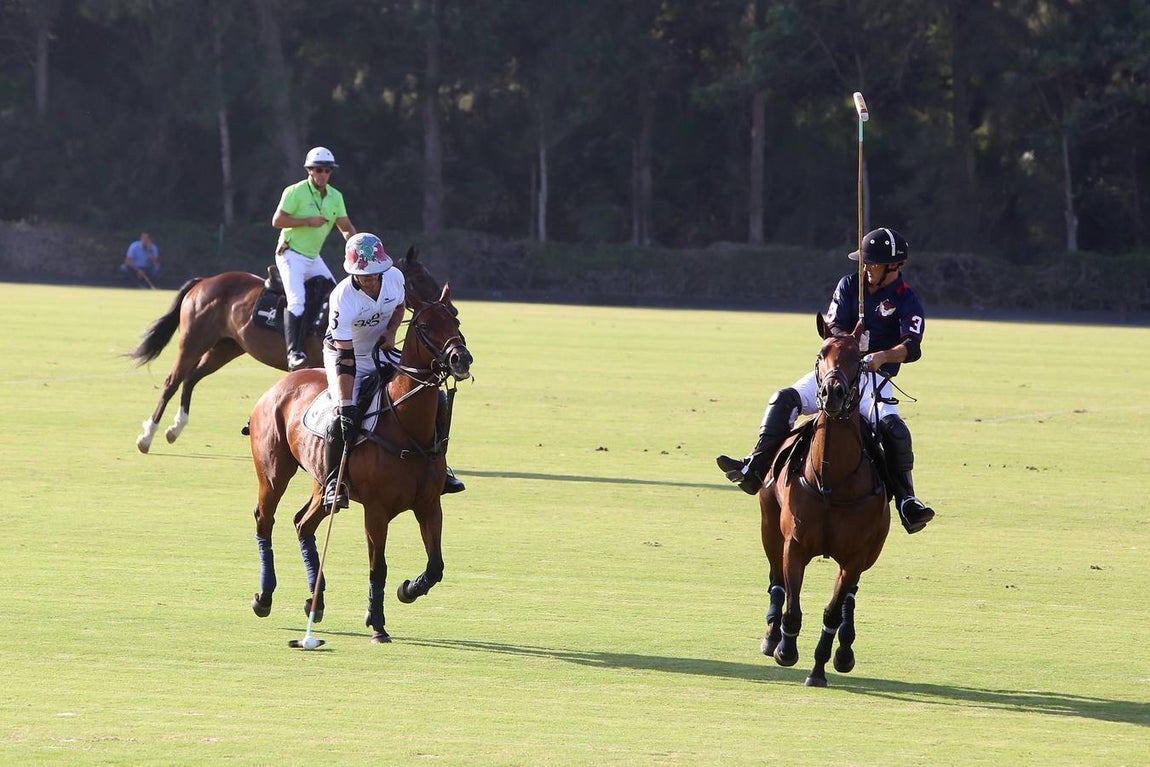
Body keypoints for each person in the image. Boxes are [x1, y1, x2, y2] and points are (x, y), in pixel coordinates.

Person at [716, 227, 936, 534]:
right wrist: (849, 342)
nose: (866, 268)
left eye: (872, 263)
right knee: (784, 399)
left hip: (874, 378)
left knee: (894, 429)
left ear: (894, 266)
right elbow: (832, 325)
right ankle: (755, 467)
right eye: (864, 262)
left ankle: (906, 501)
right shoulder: (850, 285)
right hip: (839, 369)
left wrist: (883, 355)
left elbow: (912, 346)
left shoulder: (906, 299)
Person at [321, 233, 465, 509]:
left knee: (436, 395)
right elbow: (345, 358)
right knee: (342, 416)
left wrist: (390, 332)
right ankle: (332, 483)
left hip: (382, 347)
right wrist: (346, 402)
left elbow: (399, 307)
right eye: (364, 275)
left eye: (375, 273)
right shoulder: (342, 297)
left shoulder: (395, 278)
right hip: (347, 354)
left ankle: (438, 463)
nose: (370, 279)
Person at [272, 146, 356, 371]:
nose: (323, 174)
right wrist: (308, 222)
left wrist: (356, 248)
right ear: (309, 170)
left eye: (327, 170)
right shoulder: (295, 191)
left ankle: (335, 343)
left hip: (313, 257)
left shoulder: (335, 197)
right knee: (296, 300)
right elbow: (277, 221)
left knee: (338, 295)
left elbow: (346, 227)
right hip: (290, 254)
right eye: (318, 169)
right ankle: (294, 353)